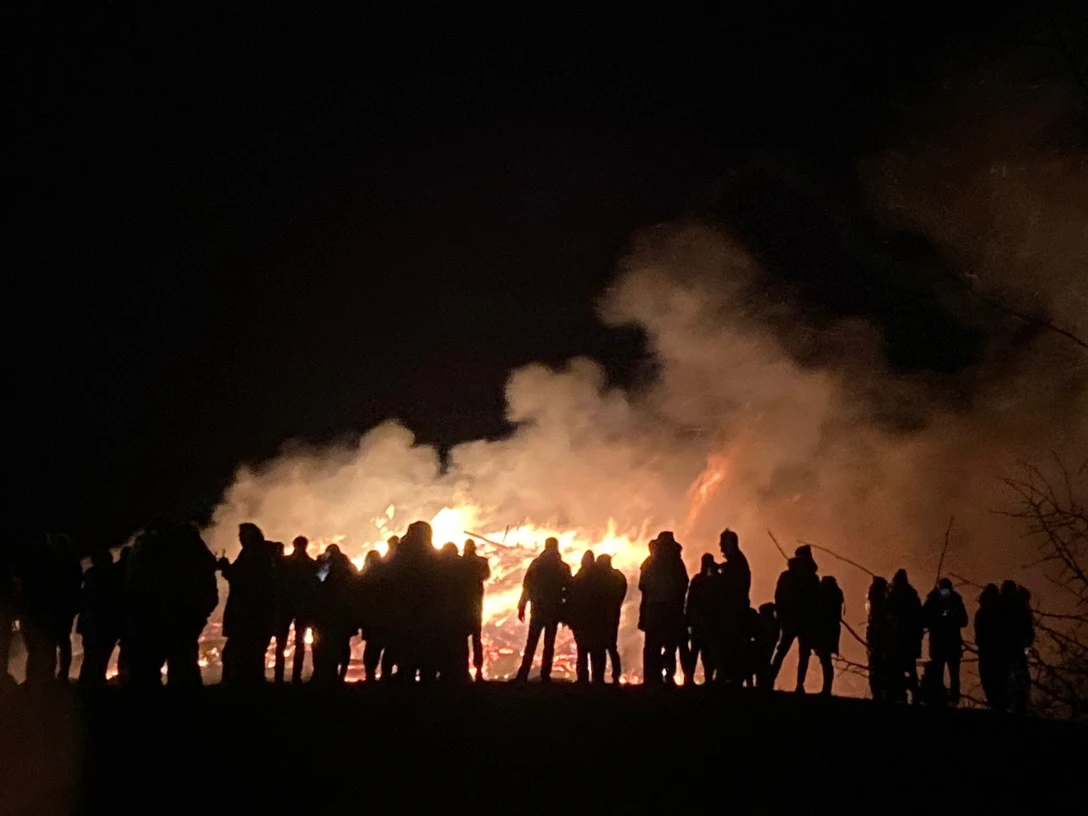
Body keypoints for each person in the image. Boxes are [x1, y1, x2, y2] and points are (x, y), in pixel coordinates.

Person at [126, 520, 218, 687]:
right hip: (175, 615)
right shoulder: (192, 555)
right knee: (181, 661)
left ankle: (154, 702)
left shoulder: (151, 553)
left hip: (161, 616)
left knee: (157, 663)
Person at [219, 523, 278, 685]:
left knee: (241, 653)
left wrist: (226, 568)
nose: (240, 538)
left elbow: (243, 580)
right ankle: (252, 685)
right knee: (253, 653)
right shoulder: (264, 553)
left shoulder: (254, 554)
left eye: (242, 535)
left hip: (248, 614)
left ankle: (244, 687)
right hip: (258, 613)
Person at [21, 534, 83, 686]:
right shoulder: (70, 563)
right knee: (60, 641)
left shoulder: (53, 563)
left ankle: (47, 676)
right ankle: (58, 675)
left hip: (56, 608)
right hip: (62, 608)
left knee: (52, 642)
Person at [515, 538, 571, 682]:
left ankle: (523, 674)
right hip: (554, 609)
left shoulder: (536, 564)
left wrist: (522, 606)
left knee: (531, 642)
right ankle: (545, 675)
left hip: (538, 609)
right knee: (549, 644)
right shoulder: (563, 567)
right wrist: (566, 612)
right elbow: (569, 590)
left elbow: (527, 586)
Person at [638, 532, 689, 686]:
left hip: (655, 608)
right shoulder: (676, 562)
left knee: (653, 645)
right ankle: (666, 675)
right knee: (670, 645)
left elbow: (643, 585)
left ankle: (652, 676)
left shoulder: (651, 563)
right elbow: (683, 584)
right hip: (672, 609)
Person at [769, 546, 820, 692]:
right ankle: (775, 681)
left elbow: (779, 596)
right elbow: (780, 597)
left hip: (798, 620)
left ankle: (779, 682)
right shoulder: (809, 578)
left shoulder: (791, 576)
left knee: (794, 652)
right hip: (797, 620)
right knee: (791, 652)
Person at [310, 544, 358, 684]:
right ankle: (340, 674)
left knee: (321, 644)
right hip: (342, 614)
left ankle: (321, 673)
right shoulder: (349, 568)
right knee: (342, 644)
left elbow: (317, 583)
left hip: (326, 613)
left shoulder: (326, 566)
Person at [274, 536, 317, 684]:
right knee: (299, 642)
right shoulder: (311, 564)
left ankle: (279, 677)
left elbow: (277, 582)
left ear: (294, 545)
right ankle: (296, 677)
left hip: (286, 606)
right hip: (302, 607)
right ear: (306, 546)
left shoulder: (285, 562)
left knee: (282, 642)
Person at [77, 548, 123, 686]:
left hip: (92, 621)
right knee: (100, 654)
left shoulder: (90, 575)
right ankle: (94, 682)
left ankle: (87, 682)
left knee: (91, 654)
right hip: (104, 622)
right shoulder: (111, 576)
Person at [922, 577, 967, 705]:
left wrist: (951, 619)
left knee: (954, 675)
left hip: (948, 644)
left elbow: (964, 620)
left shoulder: (955, 600)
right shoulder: (932, 600)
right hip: (941, 644)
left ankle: (954, 701)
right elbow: (923, 619)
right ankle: (940, 699)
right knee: (939, 674)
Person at [717, 529, 751, 685]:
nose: (720, 547)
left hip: (734, 610)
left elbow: (732, 585)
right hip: (734, 609)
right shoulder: (736, 561)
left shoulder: (736, 562)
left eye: (722, 543)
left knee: (731, 644)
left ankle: (732, 678)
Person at [885, 569, 923, 703]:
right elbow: (920, 618)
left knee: (897, 667)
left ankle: (901, 694)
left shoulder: (895, 595)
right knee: (910, 667)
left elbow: (887, 611)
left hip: (897, 639)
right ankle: (914, 694)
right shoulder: (913, 596)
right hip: (911, 640)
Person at [569, 551, 608, 684]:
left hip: (582, 620)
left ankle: (583, 678)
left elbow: (571, 597)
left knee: (582, 650)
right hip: (596, 619)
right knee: (597, 650)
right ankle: (598, 678)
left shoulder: (578, 578)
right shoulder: (601, 579)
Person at [1000, 581, 1034, 714]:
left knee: (1012, 676)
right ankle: (1017, 704)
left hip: (1011, 647)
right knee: (1016, 676)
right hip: (1014, 647)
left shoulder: (1008, 606)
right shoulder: (1019, 607)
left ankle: (1015, 704)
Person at [685, 554, 719, 684]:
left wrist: (688, 617)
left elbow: (690, 600)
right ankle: (705, 678)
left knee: (699, 651)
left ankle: (694, 677)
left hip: (701, 621)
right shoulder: (710, 581)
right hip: (704, 621)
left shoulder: (699, 580)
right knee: (702, 651)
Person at [462, 539, 490, 681]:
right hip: (476, 605)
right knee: (476, 639)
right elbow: (486, 576)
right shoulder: (481, 562)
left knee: (462, 640)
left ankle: (465, 671)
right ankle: (478, 671)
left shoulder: (460, 563)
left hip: (462, 605)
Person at [596, 553, 627, 683]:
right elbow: (622, 591)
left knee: (601, 646)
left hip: (601, 615)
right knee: (611, 646)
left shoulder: (599, 578)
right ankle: (615, 675)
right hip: (613, 614)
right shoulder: (618, 576)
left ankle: (600, 677)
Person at [358, 549, 387, 681]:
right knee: (384, 645)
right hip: (383, 617)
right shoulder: (385, 576)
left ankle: (370, 674)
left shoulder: (364, 576)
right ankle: (383, 675)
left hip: (370, 617)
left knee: (371, 647)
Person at [974, 583, 1003, 710]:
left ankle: (994, 704)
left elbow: (979, 632)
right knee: (997, 679)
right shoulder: (1000, 613)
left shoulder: (982, 612)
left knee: (989, 679)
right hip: (996, 651)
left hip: (988, 651)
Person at [814, 575, 844, 696]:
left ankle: (827, 688)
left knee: (825, 659)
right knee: (825, 659)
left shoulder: (825, 596)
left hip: (824, 630)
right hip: (831, 630)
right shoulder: (836, 595)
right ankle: (827, 687)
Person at [865, 577, 890, 702]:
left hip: (875, 636)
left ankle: (878, 693)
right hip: (880, 636)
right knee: (880, 663)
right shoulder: (881, 598)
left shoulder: (873, 598)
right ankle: (880, 693)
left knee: (875, 664)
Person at [750, 603, 780, 689]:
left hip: (762, 648)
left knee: (760, 666)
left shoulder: (766, 622)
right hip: (766, 649)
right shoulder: (774, 623)